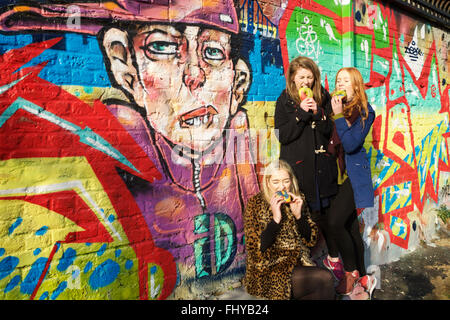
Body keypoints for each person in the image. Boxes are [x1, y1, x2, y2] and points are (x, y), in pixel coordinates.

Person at [0, 0, 260, 294]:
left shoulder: (237, 139)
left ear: (238, 84)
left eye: (213, 52)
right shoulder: (117, 140)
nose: (194, 75)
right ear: (124, 64)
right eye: (162, 47)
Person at [243, 159, 335, 300]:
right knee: (326, 278)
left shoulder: (297, 199)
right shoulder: (256, 204)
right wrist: (275, 219)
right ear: (267, 183)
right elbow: (256, 250)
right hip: (268, 270)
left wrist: (299, 216)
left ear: (292, 181)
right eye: (276, 182)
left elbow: (311, 240)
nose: (282, 187)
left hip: (296, 265)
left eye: (286, 181)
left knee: (324, 289)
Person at [323, 67, 377, 298]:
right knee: (351, 228)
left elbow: (353, 143)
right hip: (337, 175)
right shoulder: (337, 108)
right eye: (338, 80)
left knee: (334, 222)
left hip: (354, 176)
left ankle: (350, 272)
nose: (340, 83)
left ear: (356, 85)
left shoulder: (365, 111)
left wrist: (336, 115)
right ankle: (365, 277)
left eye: (345, 80)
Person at [274, 56, 337, 224]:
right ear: (293, 78)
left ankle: (331, 251)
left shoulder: (323, 96)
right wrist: (300, 113)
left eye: (310, 77)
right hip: (299, 169)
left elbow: (331, 131)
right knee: (299, 216)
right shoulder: (284, 101)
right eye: (301, 77)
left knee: (326, 219)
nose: (306, 82)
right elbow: (282, 135)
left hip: (322, 170)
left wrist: (318, 113)